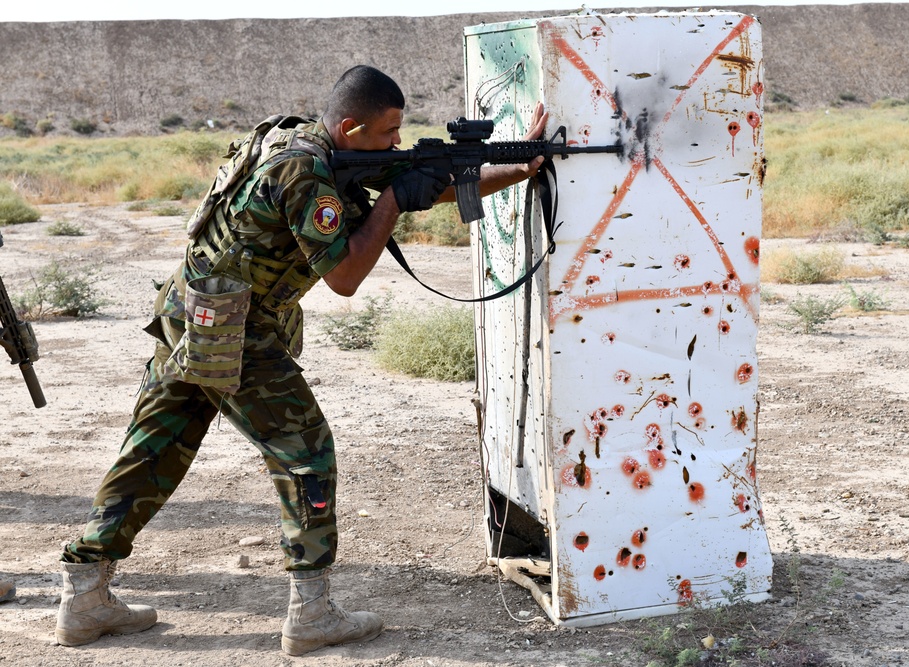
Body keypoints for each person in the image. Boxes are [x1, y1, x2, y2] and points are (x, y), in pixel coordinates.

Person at [56, 65, 547, 656]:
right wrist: (392, 200)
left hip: (192, 313)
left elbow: (423, 182)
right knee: (306, 455)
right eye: (389, 133)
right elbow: (345, 276)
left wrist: (515, 168)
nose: (397, 143)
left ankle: (83, 597)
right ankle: (311, 613)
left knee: (152, 451)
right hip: (235, 332)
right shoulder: (304, 173)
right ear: (349, 126)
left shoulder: (300, 142)